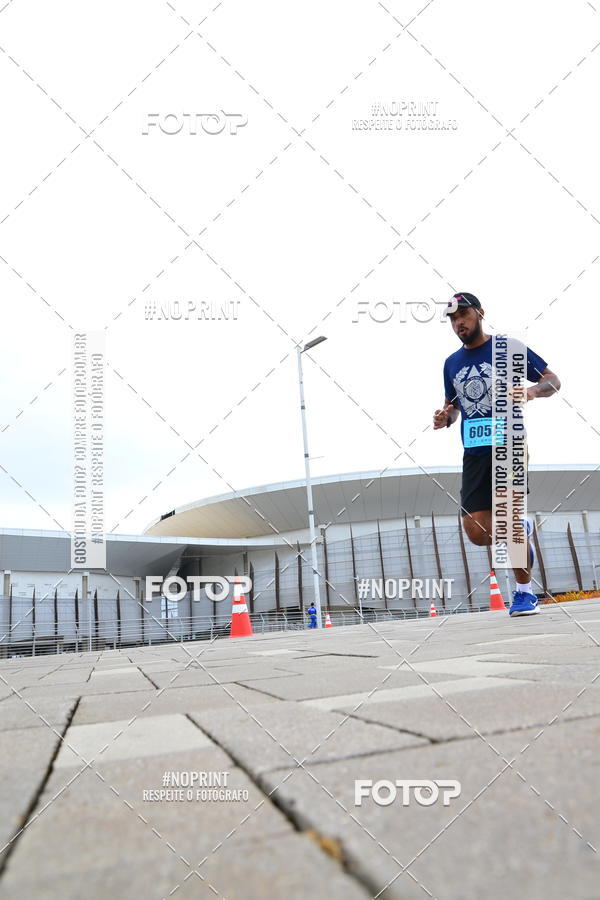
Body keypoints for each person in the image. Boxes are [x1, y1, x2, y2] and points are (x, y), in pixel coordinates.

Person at [434, 292, 561, 617]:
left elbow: (553, 381)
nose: (458, 323)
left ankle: (523, 593)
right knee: (476, 533)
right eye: (452, 319)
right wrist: (444, 418)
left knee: (506, 517)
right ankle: (521, 527)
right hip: (474, 452)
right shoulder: (451, 363)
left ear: (480, 313)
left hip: (509, 445)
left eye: (463, 315)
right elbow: (454, 408)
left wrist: (530, 391)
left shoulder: (509, 348)